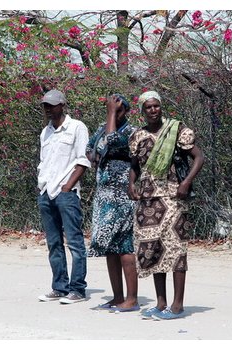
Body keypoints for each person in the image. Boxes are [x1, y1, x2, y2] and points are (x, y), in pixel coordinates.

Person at [128, 91, 204, 320]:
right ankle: (160, 303)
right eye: (148, 107)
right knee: (152, 250)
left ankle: (177, 305)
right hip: (148, 200)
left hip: (173, 199)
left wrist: (186, 182)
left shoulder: (177, 130)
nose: (153, 110)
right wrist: (131, 184)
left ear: (161, 107)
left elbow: (199, 157)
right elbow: (134, 165)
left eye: (156, 106)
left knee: (176, 250)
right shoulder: (137, 136)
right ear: (142, 110)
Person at [37, 89, 91, 304]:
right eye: (45, 106)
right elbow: (44, 161)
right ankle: (59, 286)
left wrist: (68, 187)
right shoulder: (46, 132)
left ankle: (77, 288)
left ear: (62, 105)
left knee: (75, 242)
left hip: (66, 193)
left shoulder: (76, 127)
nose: (48, 109)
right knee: (53, 243)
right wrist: (41, 185)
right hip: (46, 192)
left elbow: (83, 160)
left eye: (52, 105)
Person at [86, 94, 139, 312]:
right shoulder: (102, 128)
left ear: (126, 111)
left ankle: (132, 299)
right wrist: (93, 155)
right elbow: (90, 149)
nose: (114, 114)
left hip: (123, 195)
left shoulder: (132, 132)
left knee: (124, 246)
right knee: (110, 246)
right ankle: (117, 296)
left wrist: (110, 114)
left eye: (118, 110)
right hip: (104, 195)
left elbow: (111, 141)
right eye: (111, 110)